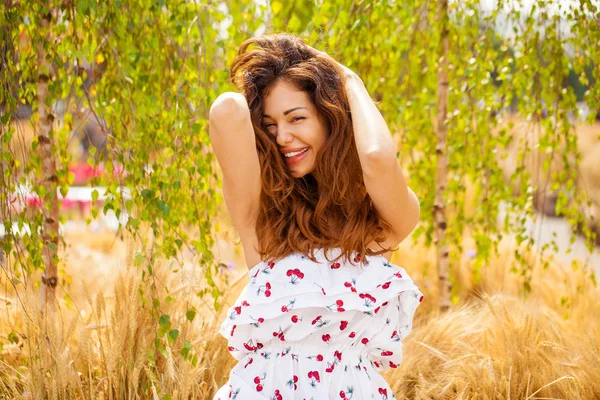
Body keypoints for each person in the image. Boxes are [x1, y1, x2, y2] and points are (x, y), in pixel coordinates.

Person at [210, 33, 424, 400]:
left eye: (297, 118)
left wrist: (348, 81)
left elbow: (375, 157)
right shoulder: (263, 221)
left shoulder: (379, 227)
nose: (282, 137)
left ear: (330, 117)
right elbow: (227, 110)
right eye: (271, 125)